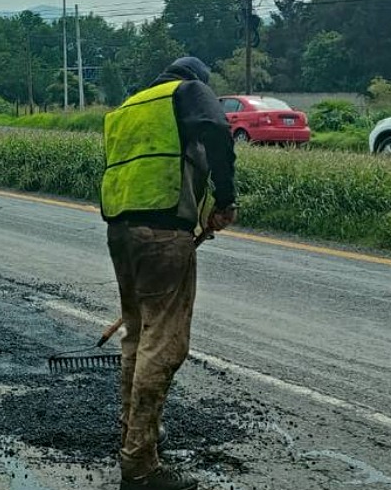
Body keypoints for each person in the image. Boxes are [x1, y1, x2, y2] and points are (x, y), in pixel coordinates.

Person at [101, 56, 237, 490]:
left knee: (138, 336)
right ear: (199, 78)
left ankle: (135, 436)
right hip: (163, 234)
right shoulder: (188, 91)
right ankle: (139, 466)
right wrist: (225, 198)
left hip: (121, 231)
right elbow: (217, 129)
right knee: (164, 344)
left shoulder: (130, 106)